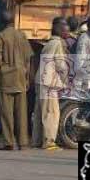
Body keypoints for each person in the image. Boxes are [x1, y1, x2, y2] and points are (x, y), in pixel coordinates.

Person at [0, 11, 33, 150]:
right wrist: (27, 78)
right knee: (21, 112)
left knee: (6, 112)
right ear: (13, 21)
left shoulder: (0, 37)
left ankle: (9, 142)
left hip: (5, 78)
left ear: (2, 23)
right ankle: (23, 142)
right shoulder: (22, 35)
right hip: (20, 76)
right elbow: (28, 60)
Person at [33, 17, 68, 150]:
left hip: (41, 80)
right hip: (49, 82)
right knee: (51, 112)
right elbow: (60, 64)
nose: (67, 31)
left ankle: (37, 140)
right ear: (59, 29)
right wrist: (66, 79)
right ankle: (49, 142)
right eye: (65, 28)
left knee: (39, 111)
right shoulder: (58, 43)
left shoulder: (49, 42)